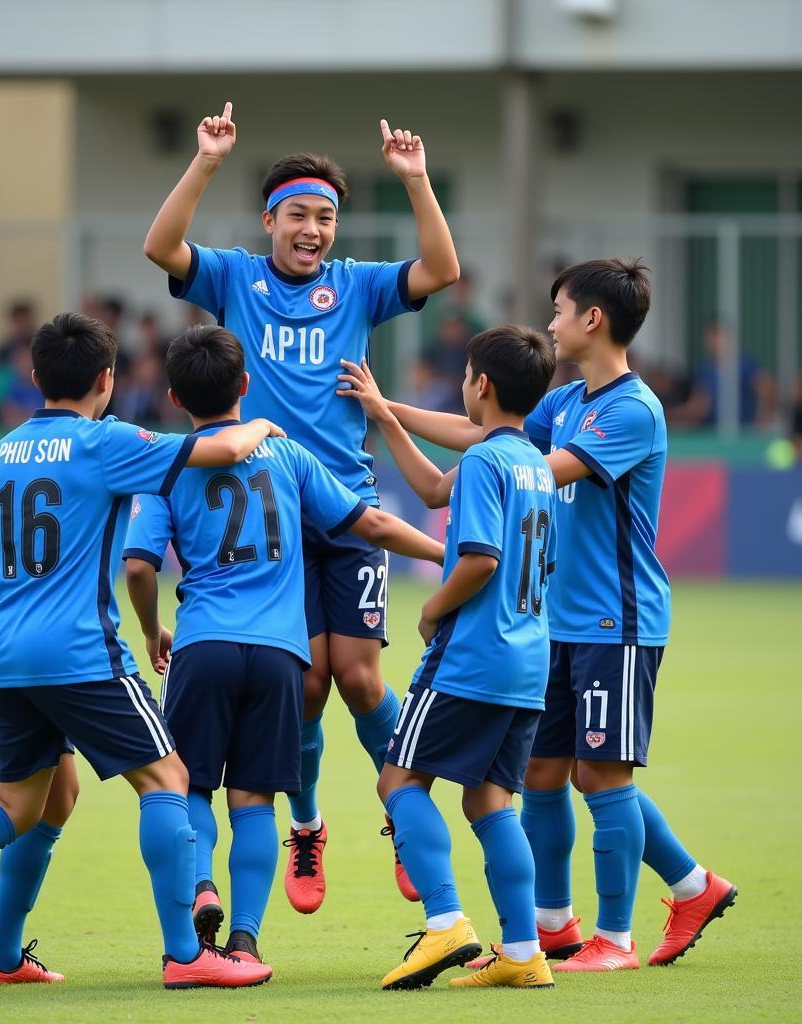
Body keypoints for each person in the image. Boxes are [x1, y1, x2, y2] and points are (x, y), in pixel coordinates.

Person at [0, 312, 284, 992]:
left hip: (4, 655)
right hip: (81, 651)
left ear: (35, 378)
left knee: (30, 803)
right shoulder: (105, 442)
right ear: (106, 379)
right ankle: (186, 953)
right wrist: (262, 427)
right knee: (168, 779)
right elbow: (217, 451)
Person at [144, 101, 460, 913]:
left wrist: (418, 182)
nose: (313, 229)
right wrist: (206, 160)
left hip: (348, 507)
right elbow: (160, 246)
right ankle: (310, 824)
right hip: (274, 514)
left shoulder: (356, 286)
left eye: (326, 217)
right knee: (309, 686)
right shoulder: (234, 277)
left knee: (359, 678)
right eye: (298, 215)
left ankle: (402, 808)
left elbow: (441, 270)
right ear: (269, 220)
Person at [379, 259, 736, 972]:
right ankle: (571, 918)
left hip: (616, 620)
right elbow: (493, 431)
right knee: (543, 773)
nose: (551, 323)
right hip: (554, 626)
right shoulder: (566, 399)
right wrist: (385, 410)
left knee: (603, 778)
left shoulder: (632, 409)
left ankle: (616, 939)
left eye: (560, 309)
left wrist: (425, 434)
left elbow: (529, 464)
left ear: (592, 320)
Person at [124, 326, 444, 969]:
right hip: (278, 653)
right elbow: (372, 523)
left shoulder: (169, 465)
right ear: (244, 386)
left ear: (171, 396)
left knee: (188, 789)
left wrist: (152, 627)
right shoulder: (288, 455)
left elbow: (137, 565)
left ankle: (200, 887)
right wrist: (449, 556)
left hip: (203, 645)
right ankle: (244, 939)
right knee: (254, 802)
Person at [338, 327, 559, 991]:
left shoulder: (490, 463)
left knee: (398, 782)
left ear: (480, 387)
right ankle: (523, 952)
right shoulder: (535, 464)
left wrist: (434, 610)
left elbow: (480, 560)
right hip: (526, 661)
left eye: (466, 375)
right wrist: (385, 416)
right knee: (491, 801)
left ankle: (446, 924)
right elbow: (436, 489)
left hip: (472, 655)